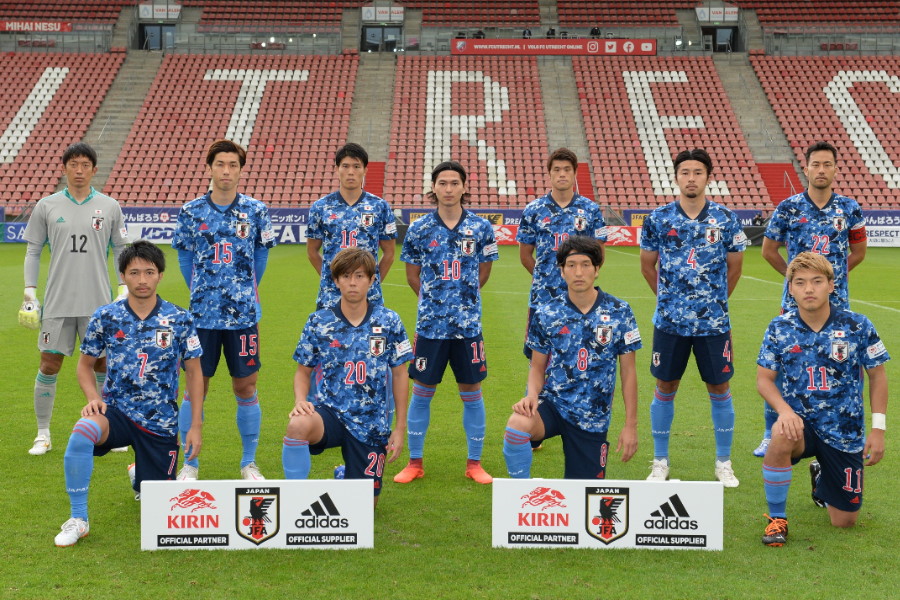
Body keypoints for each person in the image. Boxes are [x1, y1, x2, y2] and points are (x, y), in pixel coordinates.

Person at [54, 241, 204, 546]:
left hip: (160, 421)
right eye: (134, 272)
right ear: (123, 275)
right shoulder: (106, 316)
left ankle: (141, 474)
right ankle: (78, 519)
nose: (142, 280)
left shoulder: (180, 319)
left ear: (161, 274)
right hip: (117, 413)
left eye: (149, 272)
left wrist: (196, 424)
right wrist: (93, 398)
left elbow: (194, 373)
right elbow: (84, 367)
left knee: (161, 510)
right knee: (82, 431)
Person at [757, 252, 888, 547]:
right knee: (780, 435)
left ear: (831, 285)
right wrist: (784, 412)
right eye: (800, 282)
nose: (809, 289)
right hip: (799, 424)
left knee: (845, 521)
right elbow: (764, 380)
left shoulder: (857, 325)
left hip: (844, 429)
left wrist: (878, 429)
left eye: (817, 281)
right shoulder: (779, 327)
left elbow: (878, 376)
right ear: (790, 288)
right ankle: (777, 519)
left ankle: (822, 476)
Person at [639, 148, 747, 487]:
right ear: (676, 177)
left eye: (697, 172)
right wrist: (670, 300)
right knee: (665, 385)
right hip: (669, 323)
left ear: (707, 177)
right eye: (684, 172)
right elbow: (646, 264)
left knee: (719, 386)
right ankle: (660, 461)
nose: (691, 178)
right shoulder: (658, 218)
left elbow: (735, 267)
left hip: (714, 324)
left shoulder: (726, 219)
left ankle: (724, 463)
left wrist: (712, 303)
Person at [171, 139, 277, 481]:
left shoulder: (256, 211)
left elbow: (261, 257)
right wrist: (204, 291)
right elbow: (185, 258)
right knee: (195, 386)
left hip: (243, 317)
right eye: (220, 164)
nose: (227, 171)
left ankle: (249, 462)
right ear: (210, 167)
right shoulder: (190, 211)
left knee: (246, 385)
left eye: (233, 165)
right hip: (201, 317)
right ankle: (190, 463)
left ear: (241, 170)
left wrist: (242, 291)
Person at [754, 141, 867, 457]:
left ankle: (835, 434)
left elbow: (858, 251)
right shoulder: (788, 208)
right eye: (815, 164)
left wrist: (834, 279)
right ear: (806, 168)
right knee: (780, 367)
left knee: (837, 368)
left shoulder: (849, 208)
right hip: (794, 306)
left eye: (827, 164)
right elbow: (768, 250)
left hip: (837, 305)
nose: (821, 170)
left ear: (834, 168)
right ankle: (770, 431)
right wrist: (795, 280)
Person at [20, 142, 130, 456]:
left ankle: (109, 427)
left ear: (95, 170)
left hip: (99, 304)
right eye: (73, 164)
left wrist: (123, 286)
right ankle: (43, 434)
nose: (79, 170)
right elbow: (32, 249)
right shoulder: (47, 205)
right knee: (49, 363)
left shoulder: (109, 206)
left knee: (104, 363)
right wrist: (30, 290)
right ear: (64, 168)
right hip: (57, 302)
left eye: (85, 165)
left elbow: (122, 249)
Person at [394, 161, 499, 485]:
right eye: (443, 183)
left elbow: (484, 271)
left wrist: (461, 300)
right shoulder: (420, 229)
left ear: (464, 187)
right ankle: (414, 462)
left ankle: (474, 463)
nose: (449, 188)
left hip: (468, 328)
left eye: (455, 183)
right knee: (422, 391)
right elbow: (412, 274)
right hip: (430, 328)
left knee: (472, 390)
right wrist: (434, 302)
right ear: (434, 188)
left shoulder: (481, 229)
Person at [502, 236, 640, 479]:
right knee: (517, 424)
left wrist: (630, 426)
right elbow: (537, 367)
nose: (579, 272)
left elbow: (628, 372)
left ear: (597, 270)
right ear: (562, 271)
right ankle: (521, 495)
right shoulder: (547, 312)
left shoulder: (620, 311)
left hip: (592, 417)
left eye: (586, 264)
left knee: (586, 497)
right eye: (571, 265)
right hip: (554, 406)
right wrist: (531, 396)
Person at [282, 248, 411, 506]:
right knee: (298, 425)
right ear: (336, 280)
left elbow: (399, 374)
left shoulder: (389, 320)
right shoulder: (319, 321)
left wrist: (399, 427)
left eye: (360, 276)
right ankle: (294, 500)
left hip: (371, 422)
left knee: (365, 509)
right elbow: (302, 371)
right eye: (346, 276)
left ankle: (346, 476)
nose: (353, 283)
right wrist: (299, 401)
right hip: (331, 414)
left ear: (372, 280)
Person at [518, 147, 607, 358]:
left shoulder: (591, 210)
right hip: (543, 297)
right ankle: (536, 393)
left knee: (578, 353)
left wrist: (578, 278)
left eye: (567, 169)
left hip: (581, 295)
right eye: (557, 169)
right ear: (549, 173)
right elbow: (525, 255)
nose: (562, 174)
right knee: (539, 357)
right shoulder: (533, 210)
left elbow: (599, 254)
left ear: (575, 173)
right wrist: (546, 277)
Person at [306, 143, 396, 312]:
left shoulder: (380, 206)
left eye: (356, 166)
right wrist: (334, 279)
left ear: (365, 170)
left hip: (370, 297)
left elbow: (389, 253)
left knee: (369, 338)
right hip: (330, 297)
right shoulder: (320, 207)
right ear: (337, 169)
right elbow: (312, 251)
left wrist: (369, 282)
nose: (351, 172)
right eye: (345, 166)